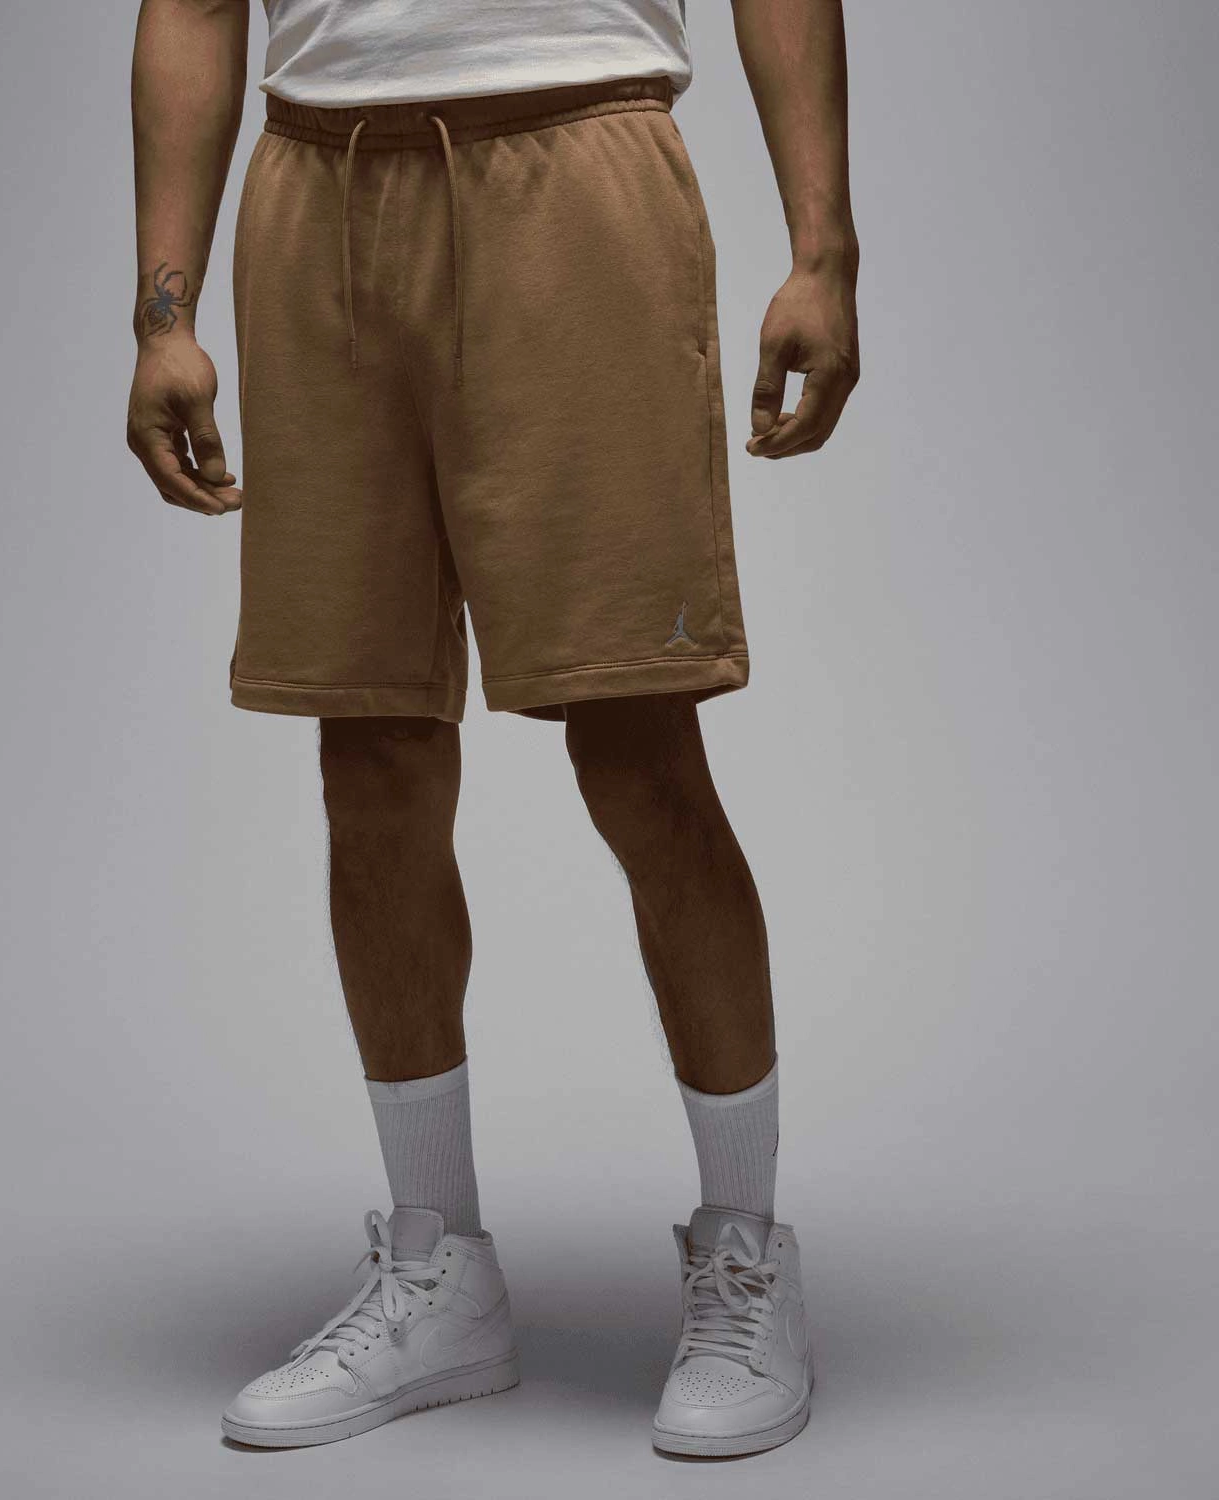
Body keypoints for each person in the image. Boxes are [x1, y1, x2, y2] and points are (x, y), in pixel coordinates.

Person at [126, 0, 859, 1458]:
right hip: (316, 194)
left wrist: (823, 251)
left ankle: (746, 1249)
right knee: (371, 753)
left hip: (576, 165)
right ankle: (438, 1265)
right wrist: (165, 314)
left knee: (638, 744)